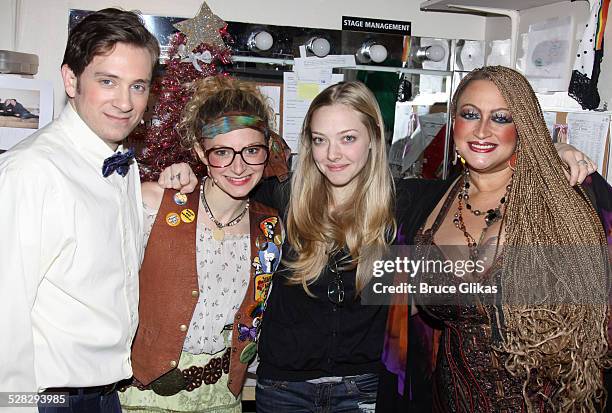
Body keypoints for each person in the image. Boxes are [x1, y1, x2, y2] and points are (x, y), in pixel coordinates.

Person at [160, 80, 596, 412]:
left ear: (372, 138)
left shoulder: (408, 204)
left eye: (348, 138)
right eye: (320, 139)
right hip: (281, 389)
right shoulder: (279, 200)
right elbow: (223, 185)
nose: (333, 154)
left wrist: (555, 152)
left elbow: (487, 181)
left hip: (365, 392)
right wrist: (180, 172)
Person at [377, 66, 611, 412]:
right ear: (453, 122)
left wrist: (553, 151)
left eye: (501, 118)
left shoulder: (570, 196)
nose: (482, 130)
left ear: (524, 127)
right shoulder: (422, 204)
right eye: (470, 115)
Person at [0, 8, 159, 413]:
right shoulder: (30, 171)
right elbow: (5, 312)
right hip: (47, 400)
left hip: (106, 397)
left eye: (138, 86)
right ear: (71, 79)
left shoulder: (123, 164)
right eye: (108, 81)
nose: (125, 102)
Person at [118, 76, 290, 413]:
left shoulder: (271, 227)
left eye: (251, 151)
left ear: (266, 150)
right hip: (141, 399)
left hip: (222, 399)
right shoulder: (155, 203)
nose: (238, 167)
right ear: (200, 151)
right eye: (223, 152)